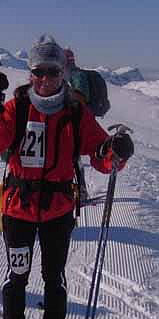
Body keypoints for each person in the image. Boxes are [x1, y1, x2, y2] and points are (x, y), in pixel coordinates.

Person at [0, 34, 134, 319]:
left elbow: (100, 157)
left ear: (62, 73)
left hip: (58, 212)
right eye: (39, 72)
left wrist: (117, 153)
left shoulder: (76, 111)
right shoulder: (17, 107)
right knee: (16, 277)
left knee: (55, 279)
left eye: (52, 73)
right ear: (30, 73)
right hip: (19, 209)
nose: (45, 80)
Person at [64, 48, 91, 203]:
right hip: (76, 119)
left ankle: (81, 192)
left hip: (79, 120)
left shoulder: (77, 75)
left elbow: (81, 98)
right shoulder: (74, 75)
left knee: (75, 159)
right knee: (75, 158)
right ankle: (81, 191)